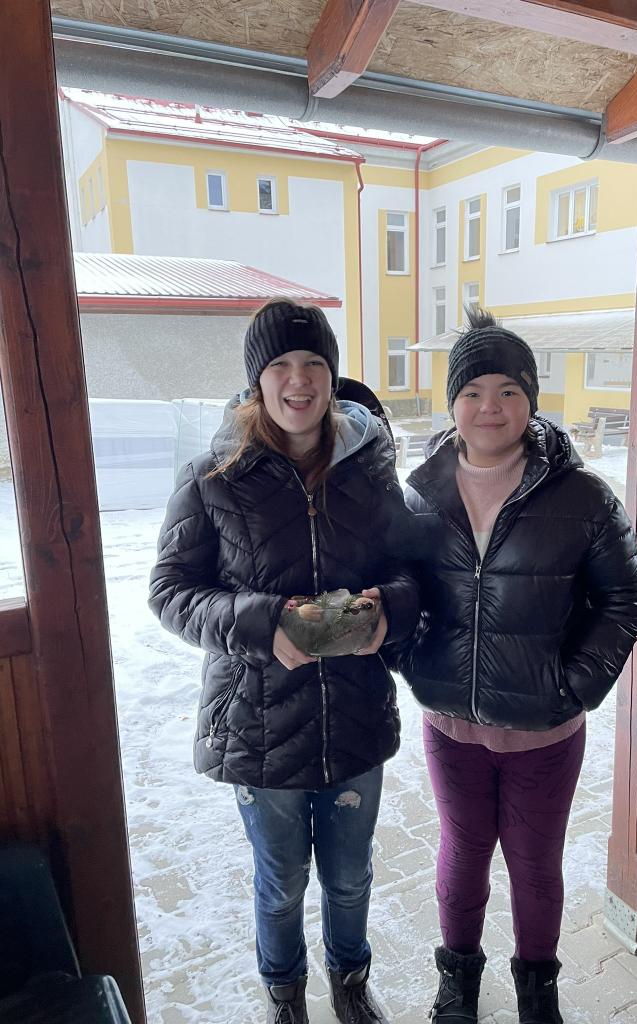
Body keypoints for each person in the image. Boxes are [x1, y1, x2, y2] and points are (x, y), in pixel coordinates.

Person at [149, 299, 419, 1024]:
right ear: (257, 380)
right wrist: (262, 623)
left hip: (355, 714)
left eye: (314, 364)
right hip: (258, 724)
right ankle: (284, 992)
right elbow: (170, 591)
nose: (299, 380)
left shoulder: (370, 470)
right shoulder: (213, 476)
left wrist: (389, 608)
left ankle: (351, 982)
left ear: (332, 376)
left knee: (351, 877)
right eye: (280, 366)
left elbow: (410, 568)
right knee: (280, 882)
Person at [399, 309, 637, 1024]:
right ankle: (459, 982)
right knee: (462, 853)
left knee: (535, 865)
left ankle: (539, 991)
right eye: (473, 391)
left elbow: (624, 596)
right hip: (452, 725)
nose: (490, 407)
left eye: (509, 390)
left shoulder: (583, 496)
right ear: (453, 402)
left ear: (531, 400)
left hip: (545, 731)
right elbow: (395, 587)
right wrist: (411, 658)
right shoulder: (418, 493)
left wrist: (578, 684)